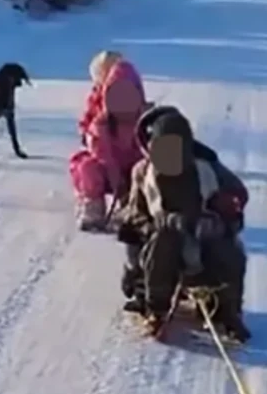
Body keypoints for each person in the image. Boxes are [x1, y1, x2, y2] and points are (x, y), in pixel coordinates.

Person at [117, 106, 250, 341]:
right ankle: (155, 309)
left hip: (203, 236)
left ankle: (229, 311)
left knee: (229, 252)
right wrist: (157, 225)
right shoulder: (142, 173)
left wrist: (218, 219)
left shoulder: (208, 170)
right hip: (162, 239)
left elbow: (237, 202)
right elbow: (134, 215)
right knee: (164, 242)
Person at [69, 50, 150, 231]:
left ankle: (139, 206)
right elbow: (102, 152)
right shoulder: (102, 121)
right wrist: (116, 181)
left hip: (135, 168)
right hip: (110, 166)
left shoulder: (146, 118)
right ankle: (94, 207)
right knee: (87, 167)